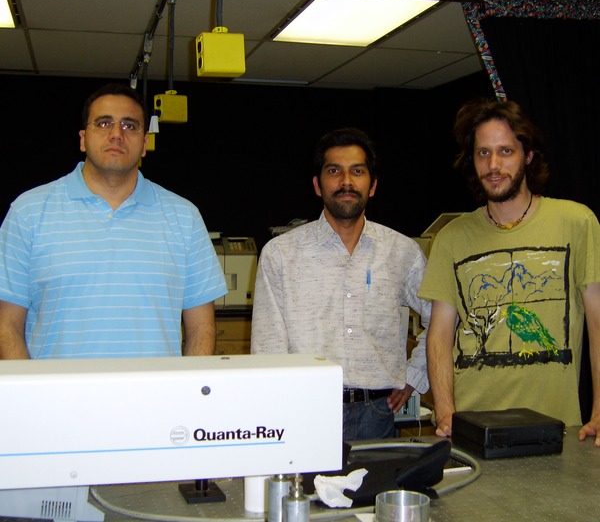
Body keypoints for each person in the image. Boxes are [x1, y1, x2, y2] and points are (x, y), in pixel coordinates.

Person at [418, 97, 600, 446]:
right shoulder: (451, 238)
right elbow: (439, 335)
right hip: (472, 427)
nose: (493, 165)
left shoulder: (577, 222)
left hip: (556, 425)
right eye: (483, 153)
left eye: (505, 151)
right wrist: (445, 412)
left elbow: (596, 322)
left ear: (528, 156)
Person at [0, 83, 227, 359]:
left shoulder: (184, 217)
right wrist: (31, 396)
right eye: (104, 123)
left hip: (155, 400)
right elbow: (7, 324)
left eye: (129, 126)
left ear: (145, 144)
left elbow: (202, 327)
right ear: (83, 138)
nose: (117, 134)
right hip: (58, 400)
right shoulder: (29, 212)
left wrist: (188, 395)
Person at [251, 127, 431, 441]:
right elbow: (268, 345)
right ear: (317, 185)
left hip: (376, 414)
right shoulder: (280, 254)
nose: (346, 182)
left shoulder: (402, 252)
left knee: (372, 491)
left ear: (372, 185)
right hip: (304, 412)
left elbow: (442, 318)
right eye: (334, 171)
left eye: (357, 172)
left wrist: (415, 375)